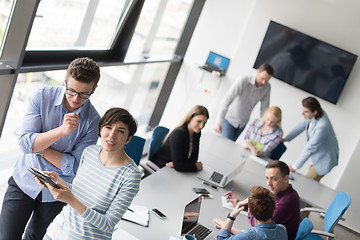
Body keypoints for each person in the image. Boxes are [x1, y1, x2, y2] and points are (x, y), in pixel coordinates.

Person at [0, 57, 101, 240]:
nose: (75, 99)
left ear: (94, 89)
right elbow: (24, 143)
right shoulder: (41, 96)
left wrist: (38, 147)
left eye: (84, 94)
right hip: (24, 180)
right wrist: (61, 131)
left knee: (36, 238)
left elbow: (75, 166)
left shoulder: (93, 121)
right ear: (65, 81)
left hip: (57, 193)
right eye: (71, 91)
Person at [37, 107, 141, 239]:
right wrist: (57, 181)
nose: (112, 135)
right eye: (108, 127)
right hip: (57, 231)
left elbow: (108, 224)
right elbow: (80, 192)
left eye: (120, 131)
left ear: (128, 138)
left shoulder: (131, 175)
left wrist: (71, 200)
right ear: (100, 129)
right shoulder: (90, 151)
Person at [214, 160, 301, 240]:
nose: (268, 183)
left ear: (286, 178)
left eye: (274, 179)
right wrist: (244, 204)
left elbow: (261, 226)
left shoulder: (286, 202)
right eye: (267, 178)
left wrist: (229, 223)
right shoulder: (282, 229)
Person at [283, 96, 339, 181]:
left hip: (324, 160)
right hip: (316, 156)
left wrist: (295, 166)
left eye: (305, 112)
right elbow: (301, 126)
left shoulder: (322, 126)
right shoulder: (315, 114)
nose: (302, 113)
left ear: (315, 112)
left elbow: (310, 147)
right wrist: (285, 139)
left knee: (306, 184)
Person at [214, 64, 274, 141]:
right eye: (262, 78)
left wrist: (265, 125)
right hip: (228, 120)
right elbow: (227, 100)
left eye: (266, 80)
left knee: (230, 147)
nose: (263, 82)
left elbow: (264, 109)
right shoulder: (243, 80)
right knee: (225, 147)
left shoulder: (267, 87)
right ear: (258, 72)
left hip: (242, 124)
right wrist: (218, 122)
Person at [150, 105, 209, 172]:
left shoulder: (196, 133)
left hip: (173, 170)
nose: (201, 126)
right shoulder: (178, 133)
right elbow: (179, 166)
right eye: (199, 121)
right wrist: (195, 167)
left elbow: (193, 159)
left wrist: (182, 164)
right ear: (190, 118)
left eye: (204, 123)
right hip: (161, 168)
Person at [215, 186, 288, 240]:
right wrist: (231, 229)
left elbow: (221, 238)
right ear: (274, 208)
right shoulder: (282, 230)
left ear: (249, 212)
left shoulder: (249, 234)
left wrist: (231, 216)